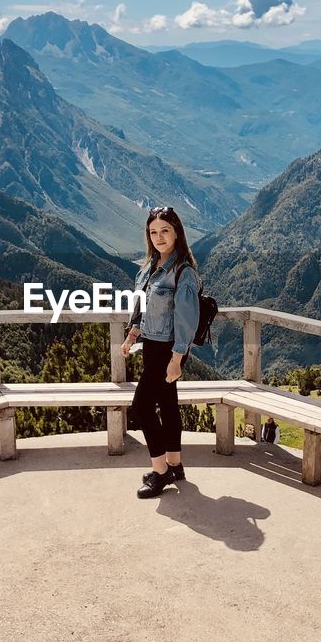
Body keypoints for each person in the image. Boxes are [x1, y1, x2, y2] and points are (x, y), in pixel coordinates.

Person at [121, 206, 201, 499]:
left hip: (168, 350)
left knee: (142, 406)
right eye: (153, 232)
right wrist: (131, 336)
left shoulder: (183, 273)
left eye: (165, 230)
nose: (158, 237)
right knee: (167, 405)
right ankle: (176, 465)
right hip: (151, 346)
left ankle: (161, 471)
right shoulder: (149, 268)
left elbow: (186, 321)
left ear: (177, 232)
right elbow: (142, 310)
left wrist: (177, 359)